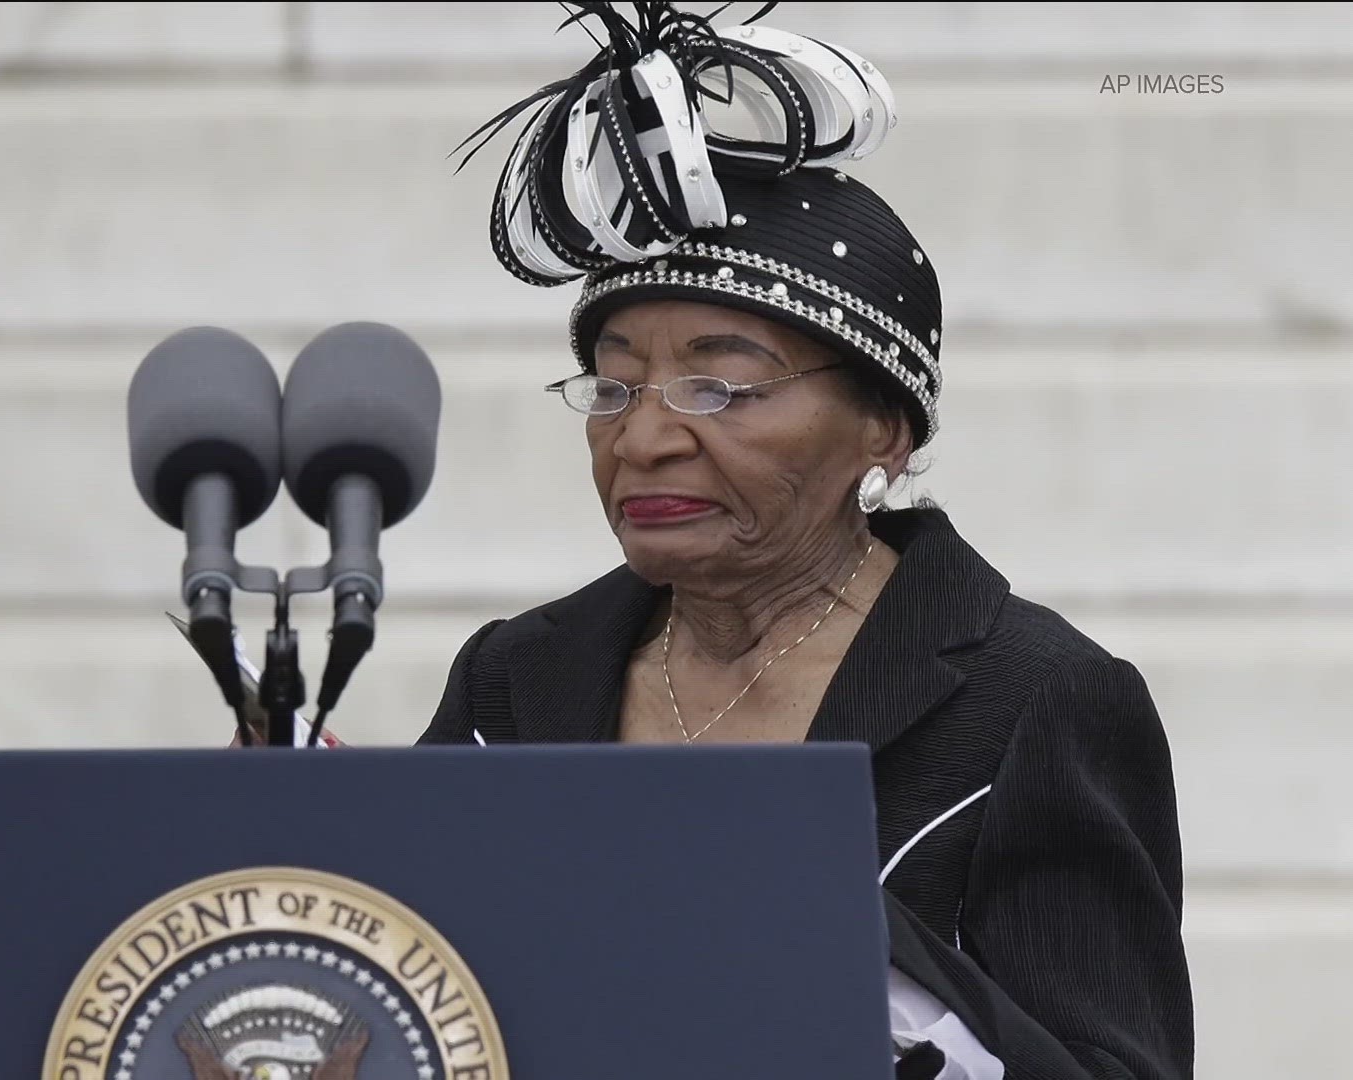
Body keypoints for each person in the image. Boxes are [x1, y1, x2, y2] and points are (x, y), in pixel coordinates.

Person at [419, 5, 1193, 1078]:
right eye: (612, 383)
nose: (643, 437)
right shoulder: (513, 680)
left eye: (719, 385)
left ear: (886, 427)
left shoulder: (1035, 698)